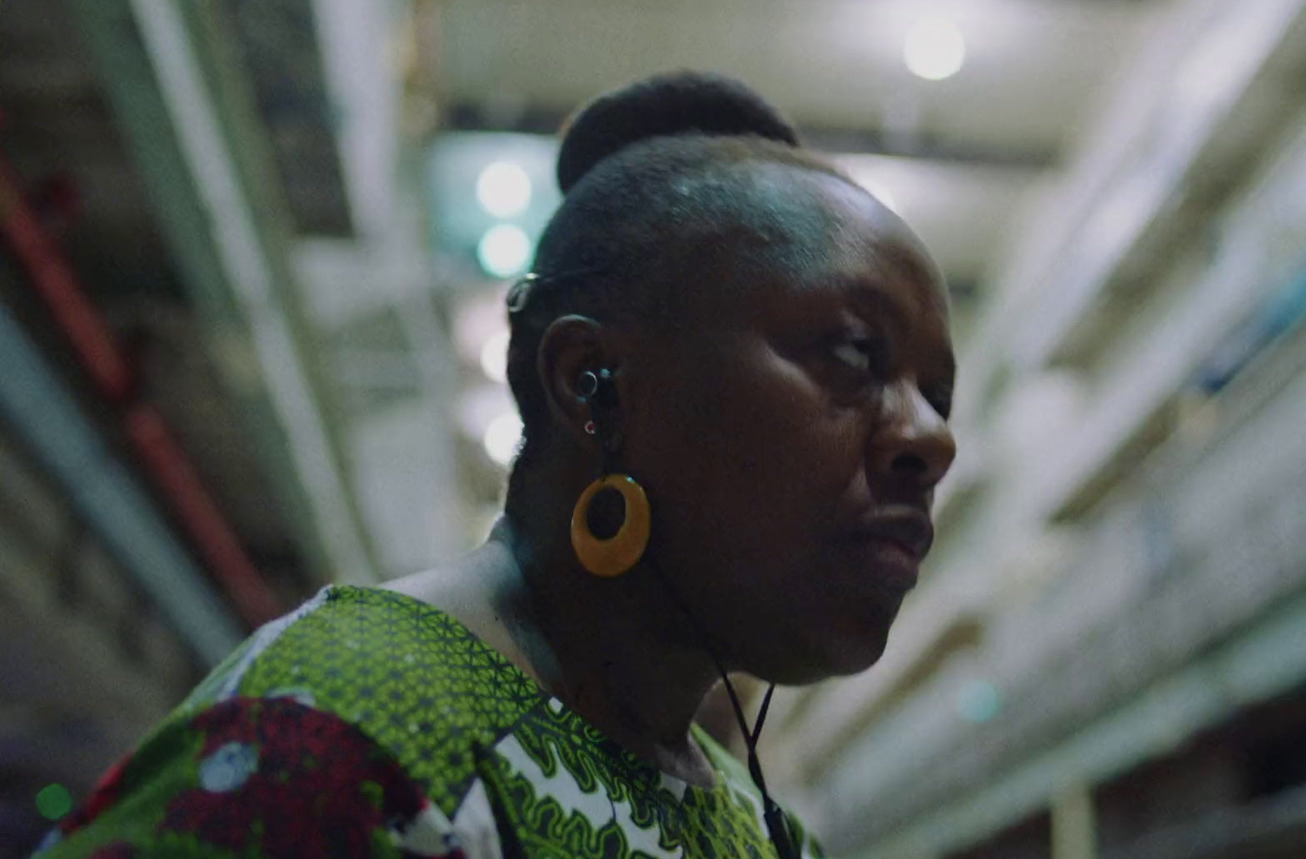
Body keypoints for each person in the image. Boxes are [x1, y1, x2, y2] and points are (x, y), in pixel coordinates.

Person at [35, 71, 957, 859]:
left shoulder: (757, 830)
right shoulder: (340, 744)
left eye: (939, 395)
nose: (934, 439)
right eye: (853, 352)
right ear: (592, 382)